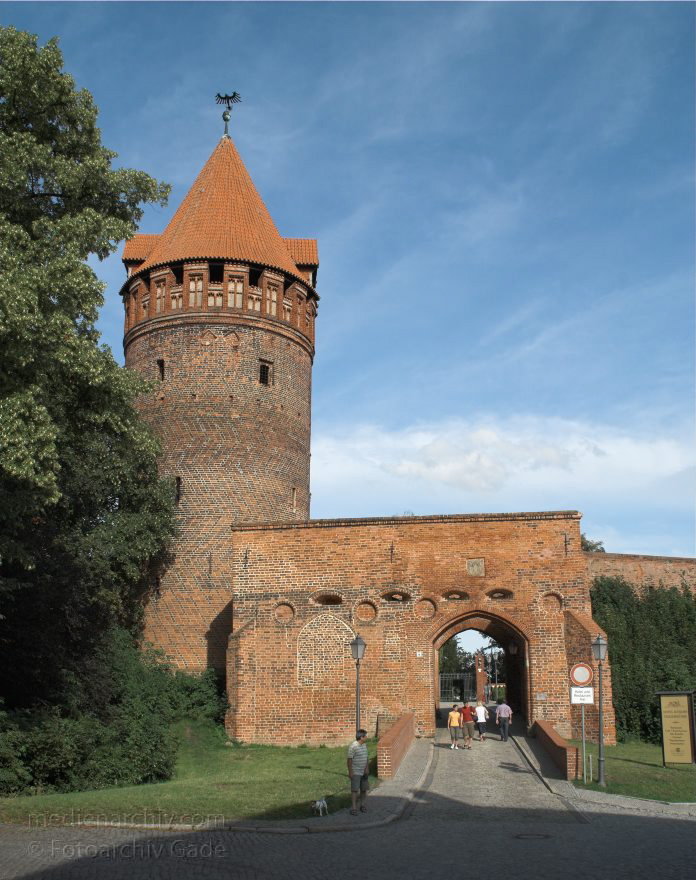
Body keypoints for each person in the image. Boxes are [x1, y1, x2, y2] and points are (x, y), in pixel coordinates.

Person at [347, 729, 369, 815]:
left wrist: (367, 768)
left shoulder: (364, 745)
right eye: (365, 736)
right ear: (361, 737)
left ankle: (362, 805)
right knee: (355, 790)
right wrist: (350, 772)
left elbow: (366, 757)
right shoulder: (353, 746)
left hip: (364, 772)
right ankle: (354, 808)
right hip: (356, 771)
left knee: (364, 789)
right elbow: (349, 760)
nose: (367, 737)